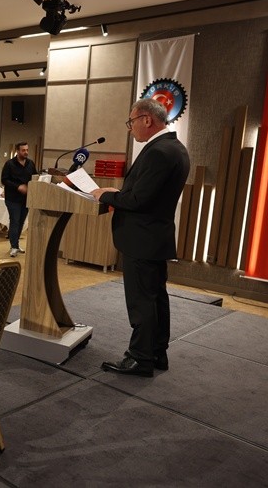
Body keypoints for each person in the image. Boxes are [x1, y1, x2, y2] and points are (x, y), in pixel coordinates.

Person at [92, 98, 190, 377]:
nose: (130, 128)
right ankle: (157, 353)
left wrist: (106, 195)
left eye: (131, 121)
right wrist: (120, 194)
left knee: (142, 301)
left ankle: (139, 358)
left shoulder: (158, 152)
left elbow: (139, 200)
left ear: (147, 120)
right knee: (156, 297)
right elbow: (147, 194)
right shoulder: (175, 148)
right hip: (155, 236)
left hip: (142, 238)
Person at [1, 142, 37, 255]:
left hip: (25, 199)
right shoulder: (9, 164)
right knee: (15, 221)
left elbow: (35, 177)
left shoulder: (30, 164)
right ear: (17, 151)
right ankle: (13, 246)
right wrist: (18, 186)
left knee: (21, 222)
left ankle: (16, 244)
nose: (26, 152)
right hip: (12, 198)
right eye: (23, 150)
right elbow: (4, 180)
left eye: (27, 150)